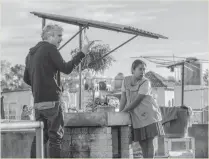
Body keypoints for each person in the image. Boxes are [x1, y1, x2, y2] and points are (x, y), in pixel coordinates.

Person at [23, 24, 93, 158]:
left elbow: (26, 79)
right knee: (55, 139)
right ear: (49, 36)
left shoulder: (30, 53)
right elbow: (66, 68)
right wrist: (82, 53)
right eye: (59, 36)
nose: (61, 39)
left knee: (40, 138)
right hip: (52, 102)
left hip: (38, 103)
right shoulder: (51, 48)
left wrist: (40, 86)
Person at [119, 59, 164, 158]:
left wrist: (123, 111)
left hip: (149, 115)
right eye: (140, 69)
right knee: (142, 143)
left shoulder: (146, 82)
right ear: (133, 69)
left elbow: (137, 101)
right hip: (137, 117)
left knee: (149, 141)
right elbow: (123, 98)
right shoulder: (125, 81)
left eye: (144, 69)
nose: (142, 72)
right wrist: (118, 114)